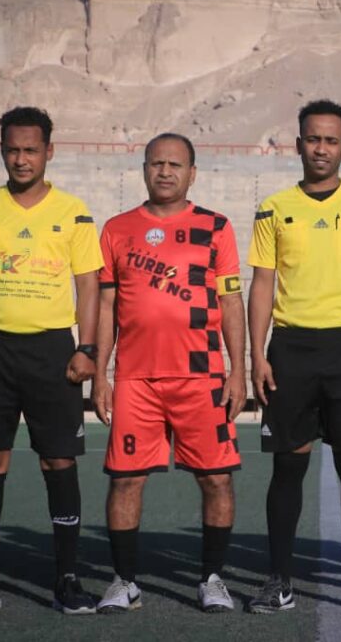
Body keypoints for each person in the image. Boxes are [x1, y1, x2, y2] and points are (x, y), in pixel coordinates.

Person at [0, 107, 103, 616]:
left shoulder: (74, 212)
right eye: (13, 150)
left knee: (59, 460)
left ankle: (67, 580)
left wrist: (87, 347)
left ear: (49, 151)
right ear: (1, 150)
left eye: (31, 150)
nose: (22, 159)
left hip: (53, 351)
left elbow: (88, 284)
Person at [246, 99, 341, 616]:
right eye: (313, 139)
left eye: (331, 140)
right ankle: (279, 580)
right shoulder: (274, 208)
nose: (321, 149)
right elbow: (262, 284)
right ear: (298, 144)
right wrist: (257, 355)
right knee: (287, 467)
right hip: (291, 350)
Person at [91, 133, 246, 614]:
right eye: (156, 163)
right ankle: (124, 582)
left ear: (192, 173)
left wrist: (237, 371)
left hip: (202, 377)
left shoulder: (216, 227)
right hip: (136, 380)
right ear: (144, 169)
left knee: (216, 479)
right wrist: (100, 374)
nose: (165, 172)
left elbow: (230, 301)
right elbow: (106, 306)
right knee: (125, 481)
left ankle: (212, 579)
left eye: (175, 164)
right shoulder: (117, 229)